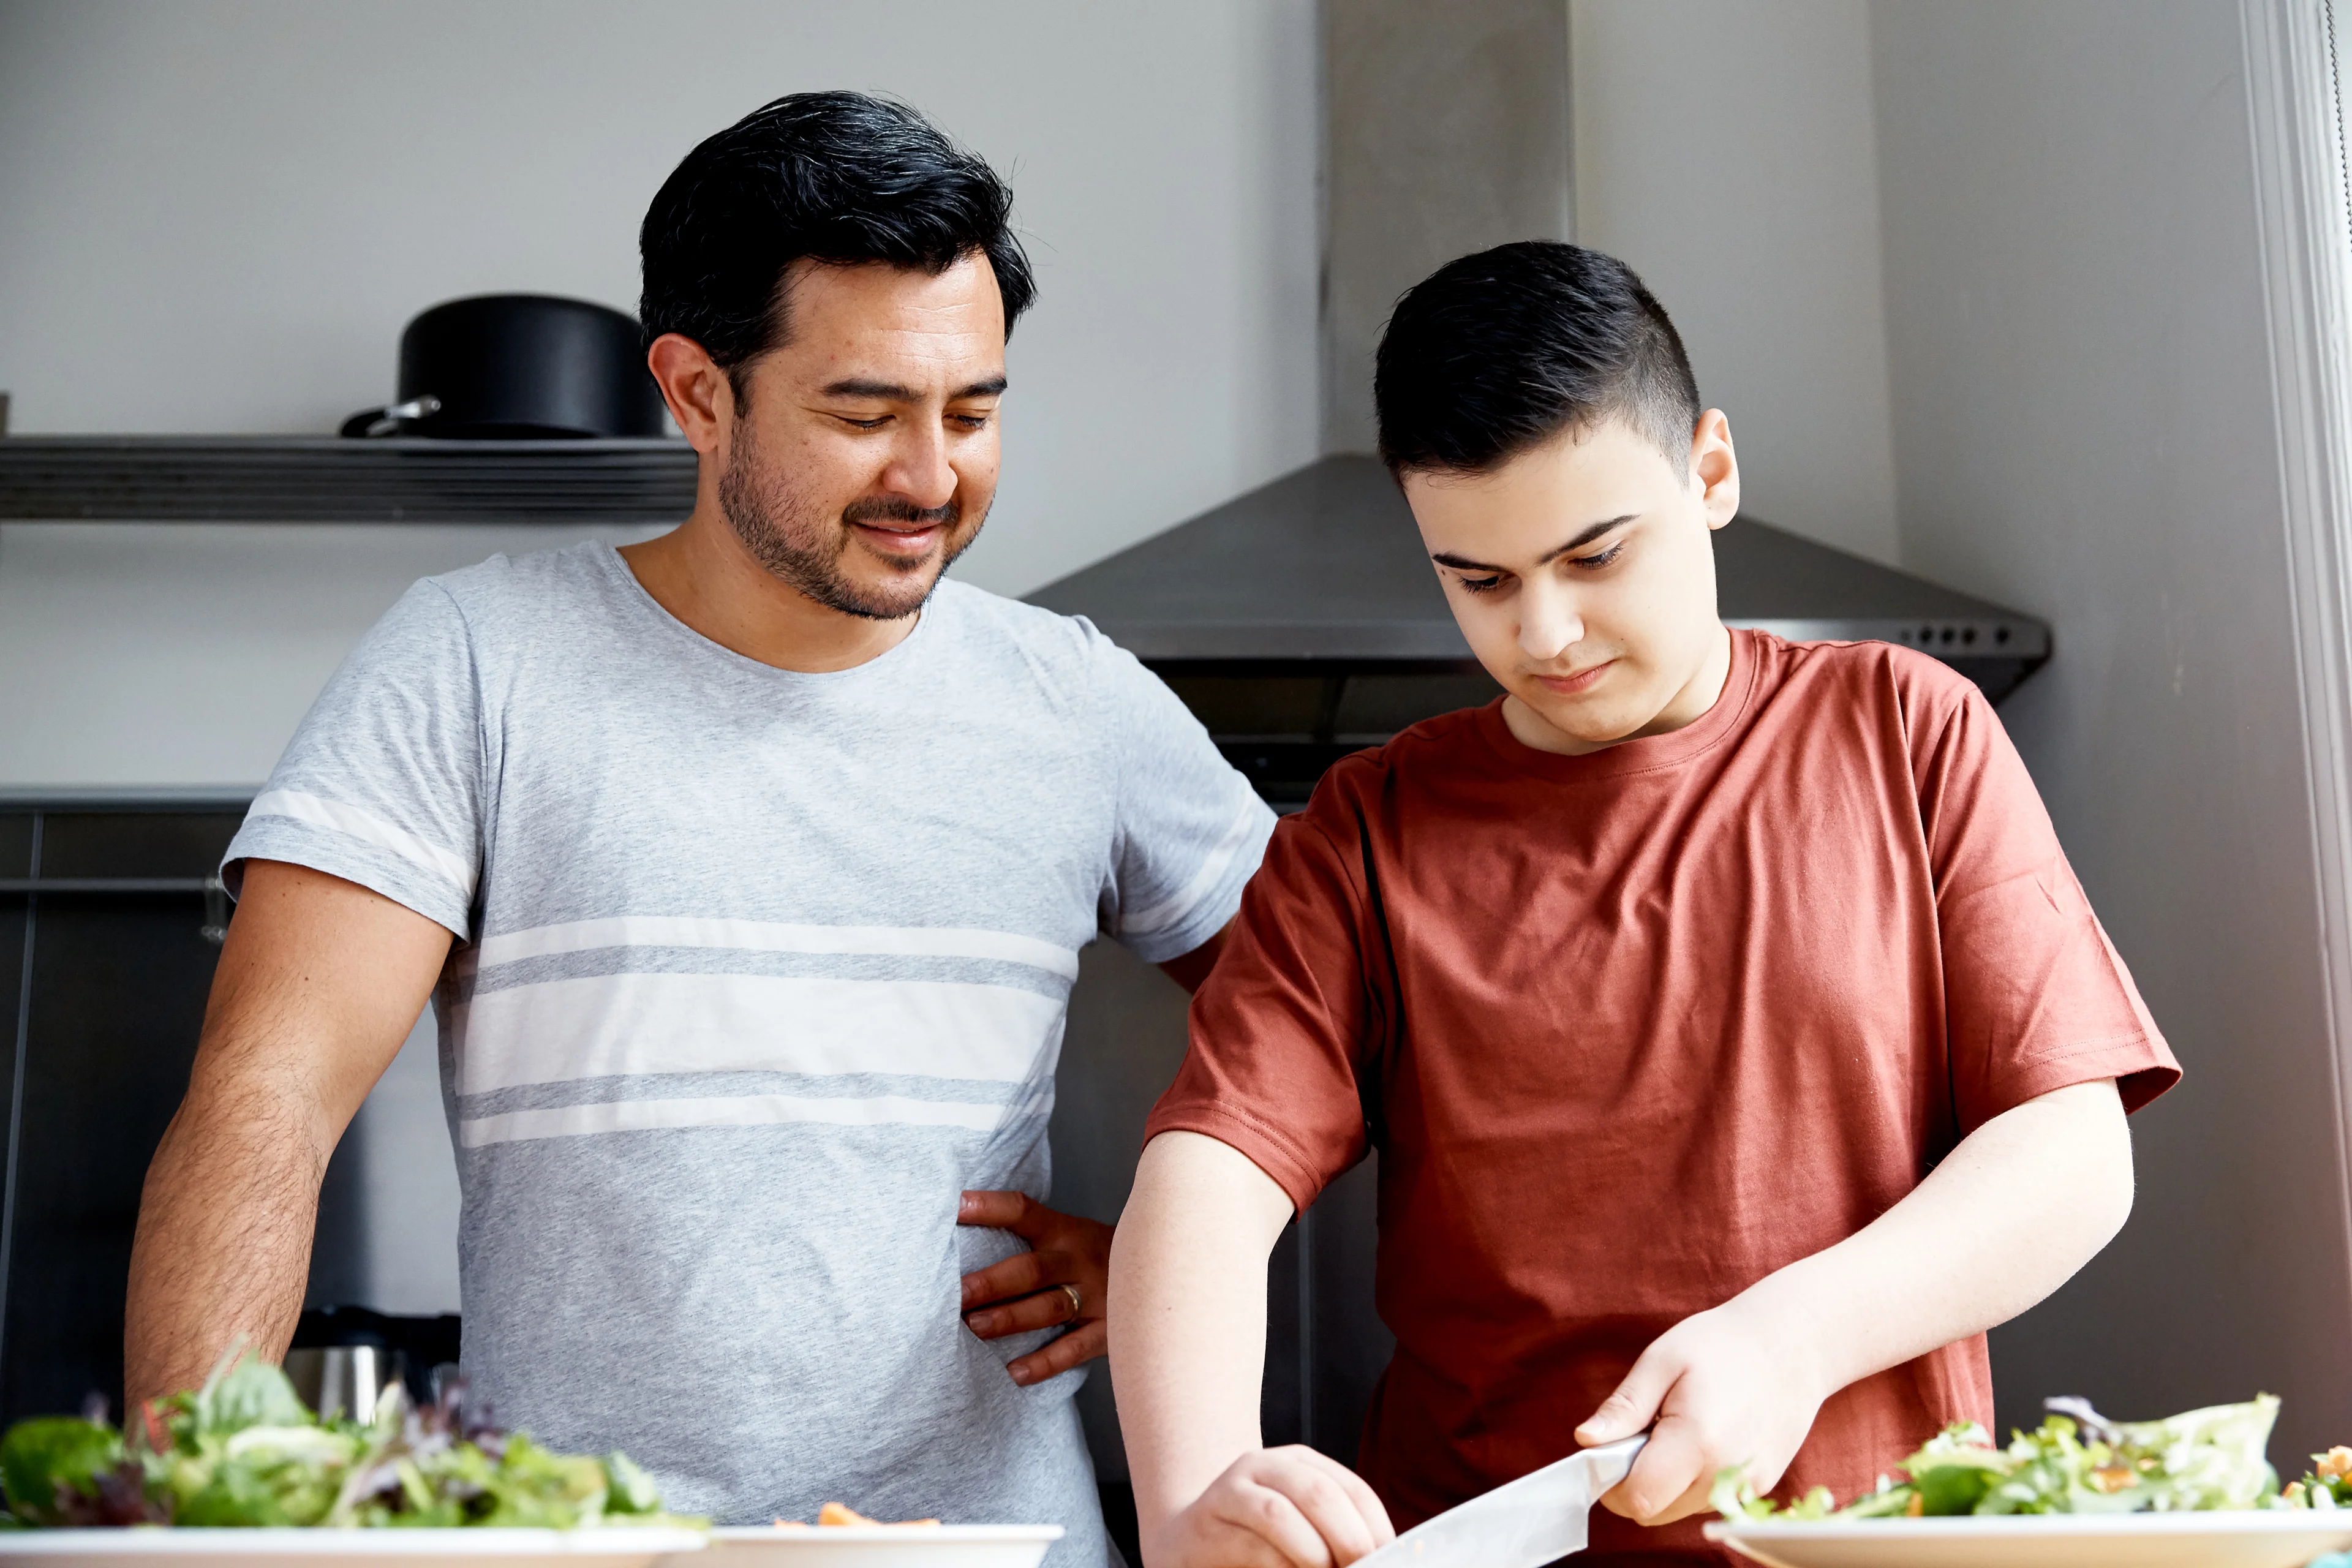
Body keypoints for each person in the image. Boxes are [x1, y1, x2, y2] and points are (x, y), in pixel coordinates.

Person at [124, 91, 1273, 1565]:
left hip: (995, 1548)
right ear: (696, 388)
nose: (931, 476)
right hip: (587, 1549)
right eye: (864, 413)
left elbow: (1347, 1030)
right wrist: (189, 1524)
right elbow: (264, 1099)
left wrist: (1175, 1258)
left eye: (974, 410)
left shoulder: (1080, 703)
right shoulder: (476, 663)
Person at [1107, 241, 2181, 1567]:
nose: (1545, 632)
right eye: (1480, 581)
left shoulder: (1907, 729)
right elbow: (1209, 1175)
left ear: (1711, 471)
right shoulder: (1364, 835)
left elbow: (2073, 1151)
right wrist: (1185, 1500)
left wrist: (1797, 1333)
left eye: (1595, 553)